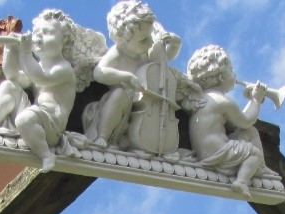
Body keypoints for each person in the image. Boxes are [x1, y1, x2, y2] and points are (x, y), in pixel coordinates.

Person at [0, 9, 76, 172]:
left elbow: (41, 78)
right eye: (37, 32)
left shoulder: (64, 68)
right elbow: (13, 75)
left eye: (47, 32)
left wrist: (24, 52)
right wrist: (11, 50)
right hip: (35, 115)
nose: (39, 37)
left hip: (51, 124)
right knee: (9, 86)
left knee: (24, 120)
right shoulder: (38, 66)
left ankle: (46, 154)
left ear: (64, 40)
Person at [82, 0, 181, 150]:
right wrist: (126, 77)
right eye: (143, 40)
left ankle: (133, 139)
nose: (149, 43)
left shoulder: (144, 54)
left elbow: (164, 58)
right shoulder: (117, 54)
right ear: (122, 40)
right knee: (120, 94)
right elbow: (99, 73)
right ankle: (103, 136)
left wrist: (175, 44)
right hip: (120, 105)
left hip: (142, 109)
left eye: (149, 38)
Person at [185, 45, 267, 197]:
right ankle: (242, 181)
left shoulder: (200, 99)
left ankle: (257, 167)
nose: (235, 75)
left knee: (250, 132)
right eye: (231, 69)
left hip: (204, 151)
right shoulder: (223, 101)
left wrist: (250, 100)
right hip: (217, 151)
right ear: (221, 76)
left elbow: (245, 127)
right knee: (254, 153)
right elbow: (246, 120)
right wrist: (256, 99)